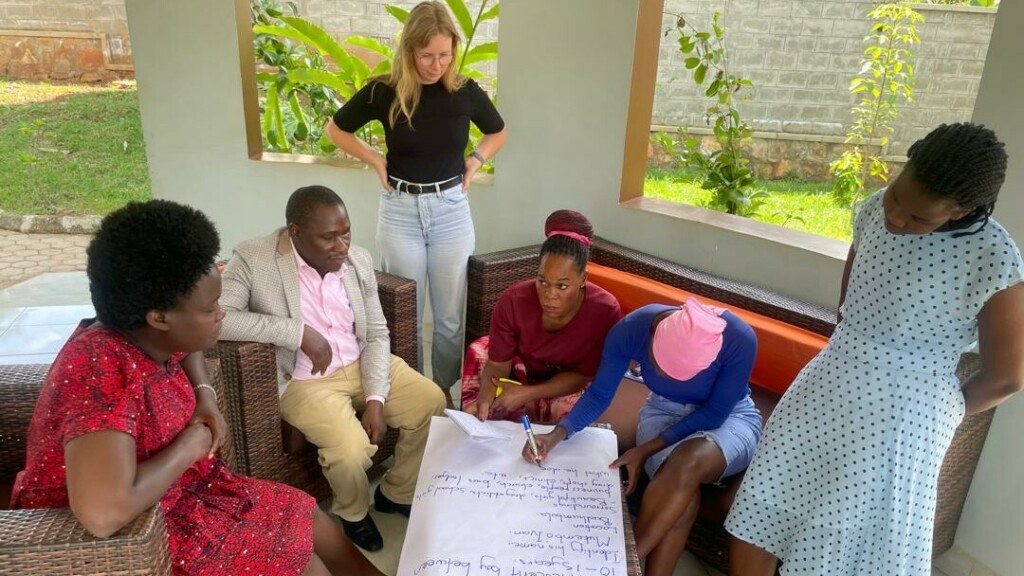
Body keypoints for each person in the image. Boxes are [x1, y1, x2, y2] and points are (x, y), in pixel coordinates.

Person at [10, 200, 383, 576]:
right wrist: (189, 447)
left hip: (189, 492)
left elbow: (188, 346)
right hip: (143, 531)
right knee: (305, 565)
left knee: (306, 513)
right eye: (211, 308)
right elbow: (103, 514)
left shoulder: (145, 330)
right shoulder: (99, 368)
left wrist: (205, 393)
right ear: (159, 317)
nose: (221, 313)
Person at [725, 123, 1024, 576]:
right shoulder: (870, 211)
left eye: (920, 217)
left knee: (839, 542)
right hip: (826, 385)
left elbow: (1007, 375)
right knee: (762, 513)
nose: (897, 217)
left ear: (963, 210)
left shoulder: (992, 255)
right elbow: (849, 309)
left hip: (903, 419)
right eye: (897, 196)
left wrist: (940, 409)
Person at [218, 185, 446, 552]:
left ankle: (396, 493)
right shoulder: (253, 258)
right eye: (329, 238)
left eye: (346, 233)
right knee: (350, 449)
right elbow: (220, 318)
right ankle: (353, 514)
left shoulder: (356, 260)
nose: (342, 246)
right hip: (306, 381)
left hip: (361, 361)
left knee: (431, 401)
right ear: (295, 232)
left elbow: (375, 333)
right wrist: (297, 333)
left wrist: (375, 396)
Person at [326, 1, 507, 397]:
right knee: (407, 316)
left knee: (448, 321)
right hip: (401, 213)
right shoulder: (383, 90)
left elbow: (497, 132)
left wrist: (475, 161)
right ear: (409, 50)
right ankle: (412, 399)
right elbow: (336, 129)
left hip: (450, 212)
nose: (436, 64)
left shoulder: (464, 93)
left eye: (444, 55)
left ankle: (441, 398)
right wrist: (375, 159)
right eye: (427, 55)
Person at [523, 298, 762, 576]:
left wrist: (646, 449)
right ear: (655, 337)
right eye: (661, 368)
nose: (665, 376)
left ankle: (624, 562)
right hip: (662, 411)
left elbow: (715, 413)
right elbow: (600, 394)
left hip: (731, 416)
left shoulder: (739, 339)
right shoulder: (632, 329)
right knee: (683, 498)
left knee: (686, 462)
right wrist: (557, 434)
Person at [461, 210, 622, 423]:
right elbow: (499, 364)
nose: (549, 296)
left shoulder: (604, 310)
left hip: (566, 383)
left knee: (573, 417)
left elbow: (583, 377)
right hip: (519, 370)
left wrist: (527, 393)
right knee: (478, 353)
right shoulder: (513, 300)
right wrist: (485, 398)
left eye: (562, 286)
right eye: (542, 281)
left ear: (583, 279)